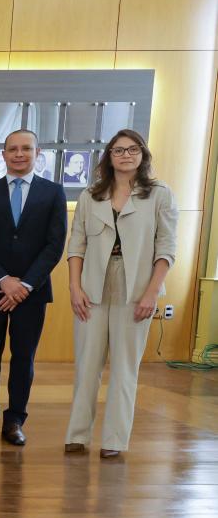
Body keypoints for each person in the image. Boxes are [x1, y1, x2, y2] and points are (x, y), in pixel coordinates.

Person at [66, 130, 177, 459]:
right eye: (118, 150)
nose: (125, 155)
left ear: (142, 154)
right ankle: (77, 434)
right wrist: (75, 287)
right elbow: (76, 244)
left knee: (125, 368)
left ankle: (114, 440)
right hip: (92, 286)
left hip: (136, 289)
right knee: (87, 365)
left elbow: (167, 248)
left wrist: (152, 293)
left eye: (132, 149)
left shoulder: (159, 194)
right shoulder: (91, 195)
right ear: (109, 156)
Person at [0, 130, 67, 447]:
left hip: (31, 293)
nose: (19, 154)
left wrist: (24, 285)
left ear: (38, 153)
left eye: (26, 148)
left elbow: (54, 245)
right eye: (13, 149)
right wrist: (3, 280)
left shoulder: (53, 193)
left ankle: (15, 420)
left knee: (24, 357)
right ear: (4, 154)